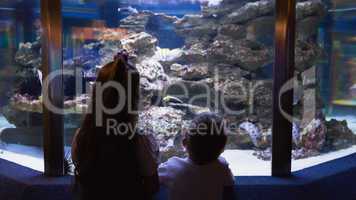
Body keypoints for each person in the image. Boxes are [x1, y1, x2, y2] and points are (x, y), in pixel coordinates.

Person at [72, 51, 159, 200]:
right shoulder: (139, 141)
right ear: (134, 98)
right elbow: (152, 185)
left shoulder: (82, 136)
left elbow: (80, 174)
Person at [158, 112, 236, 200]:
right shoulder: (222, 166)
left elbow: (154, 178)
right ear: (222, 149)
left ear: (184, 142)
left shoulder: (172, 166)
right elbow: (230, 185)